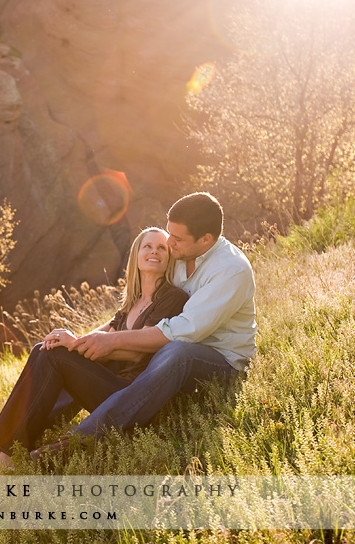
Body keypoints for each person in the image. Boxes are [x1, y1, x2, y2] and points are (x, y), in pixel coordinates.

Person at [31, 191, 256, 455]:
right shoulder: (180, 254)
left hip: (220, 362)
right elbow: (135, 314)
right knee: (113, 347)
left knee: (176, 352)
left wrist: (112, 341)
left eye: (177, 238)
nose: (169, 243)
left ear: (206, 239)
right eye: (169, 233)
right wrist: (85, 341)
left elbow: (182, 332)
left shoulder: (231, 270)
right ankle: (32, 425)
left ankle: (80, 440)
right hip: (167, 353)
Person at [0, 227, 189, 474]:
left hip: (129, 397)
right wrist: (68, 339)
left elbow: (137, 351)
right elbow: (102, 334)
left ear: (169, 257)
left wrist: (73, 345)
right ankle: (4, 445)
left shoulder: (172, 298)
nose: (154, 251)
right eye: (148, 246)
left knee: (55, 355)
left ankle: (4, 450)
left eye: (161, 247)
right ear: (137, 255)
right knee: (46, 349)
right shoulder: (132, 302)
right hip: (109, 386)